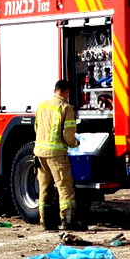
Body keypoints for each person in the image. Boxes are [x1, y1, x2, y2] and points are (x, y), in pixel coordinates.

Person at [34, 79, 84, 231]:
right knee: (64, 188)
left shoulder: (41, 106)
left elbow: (36, 128)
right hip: (56, 155)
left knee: (44, 188)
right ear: (66, 91)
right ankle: (68, 221)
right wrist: (76, 144)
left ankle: (45, 222)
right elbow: (68, 135)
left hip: (39, 153)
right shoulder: (66, 108)